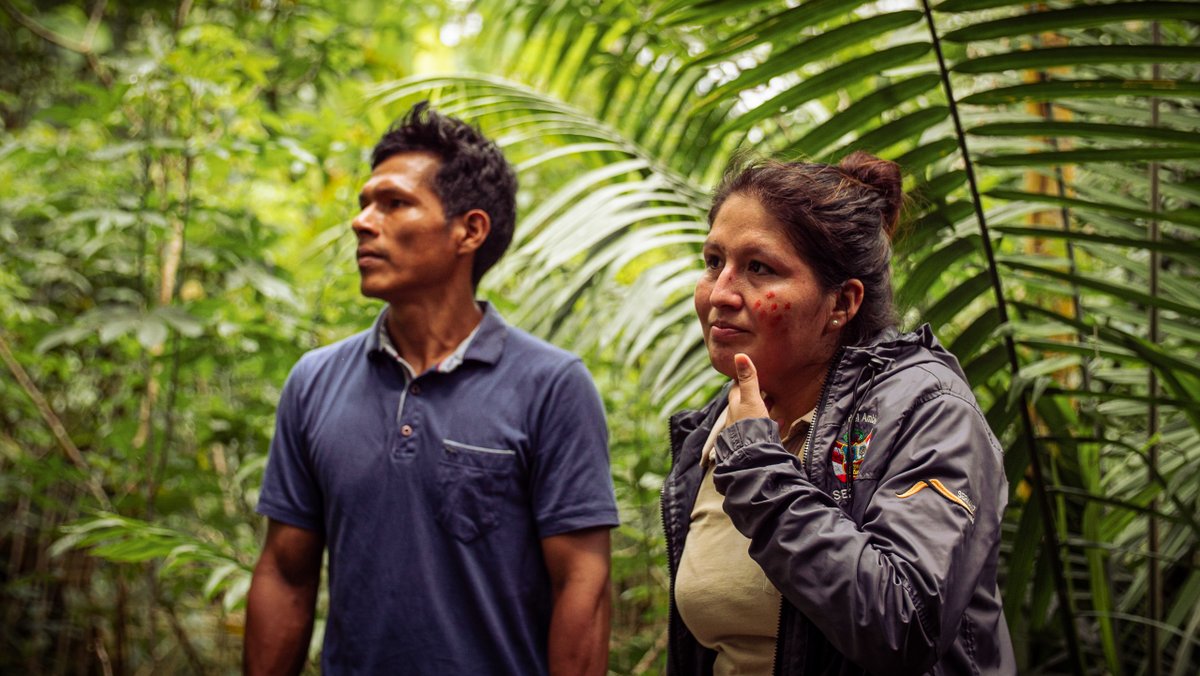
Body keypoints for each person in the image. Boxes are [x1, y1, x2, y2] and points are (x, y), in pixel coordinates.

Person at [244, 102, 619, 675]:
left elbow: (583, 588)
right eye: (366, 203)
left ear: (469, 229)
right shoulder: (314, 381)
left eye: (394, 204)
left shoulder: (552, 386)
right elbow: (285, 572)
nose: (362, 221)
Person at [662, 152, 1015, 675]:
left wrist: (760, 468)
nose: (720, 292)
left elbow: (905, 622)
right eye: (714, 261)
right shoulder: (714, 430)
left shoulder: (928, 412)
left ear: (842, 304)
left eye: (758, 268)